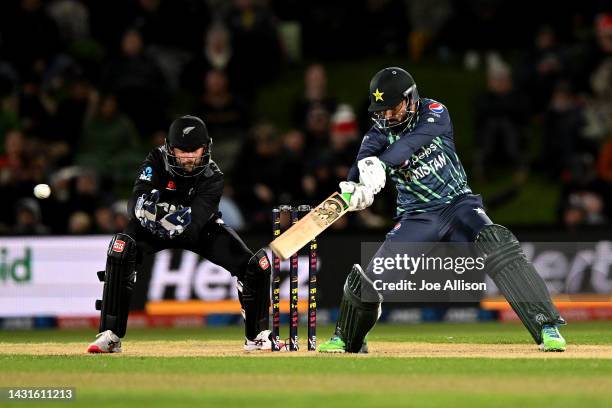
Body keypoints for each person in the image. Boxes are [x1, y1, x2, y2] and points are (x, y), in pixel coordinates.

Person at [317, 67, 567, 353]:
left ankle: (547, 326)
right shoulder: (376, 135)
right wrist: (355, 189)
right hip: (416, 217)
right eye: (382, 111)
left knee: (496, 242)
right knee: (371, 278)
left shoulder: (435, 112)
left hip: (458, 205)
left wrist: (382, 165)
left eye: (393, 108)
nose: (388, 116)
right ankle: (348, 338)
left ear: (411, 100)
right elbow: (359, 167)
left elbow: (409, 145)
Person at [87, 115, 274, 353]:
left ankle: (256, 337)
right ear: (169, 148)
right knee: (121, 249)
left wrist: (171, 219)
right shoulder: (155, 159)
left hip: (200, 230)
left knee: (255, 265)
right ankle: (110, 335)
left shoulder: (213, 176)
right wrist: (145, 213)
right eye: (181, 150)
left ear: (206, 148)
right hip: (152, 227)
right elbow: (135, 199)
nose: (188, 156)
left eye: (194, 150)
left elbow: (194, 223)